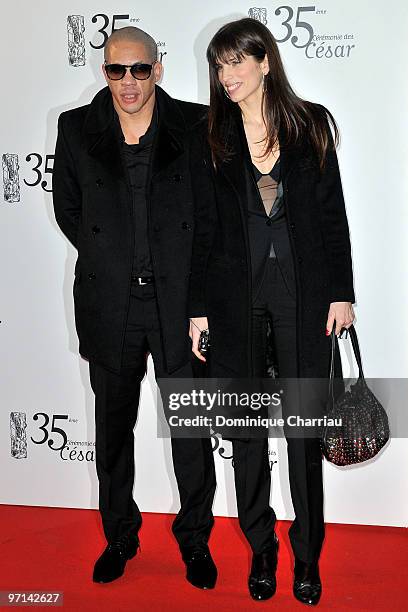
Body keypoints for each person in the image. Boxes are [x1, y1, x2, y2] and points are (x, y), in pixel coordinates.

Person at [189, 17, 355, 605]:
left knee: (305, 434)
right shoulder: (212, 135)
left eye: (235, 61)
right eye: (218, 64)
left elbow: (333, 217)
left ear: (264, 61)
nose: (225, 74)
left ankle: (307, 555)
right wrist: (199, 308)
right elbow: (204, 230)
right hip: (236, 303)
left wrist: (343, 292)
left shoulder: (310, 124)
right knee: (247, 434)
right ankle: (262, 546)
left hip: (304, 299)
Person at [53, 26, 217, 588]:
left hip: (180, 307)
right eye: (115, 70)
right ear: (104, 71)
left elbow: (211, 215)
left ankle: (195, 541)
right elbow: (69, 211)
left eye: (139, 70)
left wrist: (194, 294)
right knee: (112, 432)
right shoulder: (76, 128)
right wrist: (115, 258)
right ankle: (119, 536)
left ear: (158, 70)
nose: (127, 82)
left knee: (191, 434)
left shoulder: (196, 125)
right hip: (110, 303)